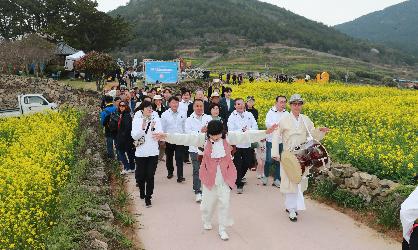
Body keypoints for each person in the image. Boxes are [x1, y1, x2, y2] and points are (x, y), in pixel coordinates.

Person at [154, 120, 278, 241]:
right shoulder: (202, 138)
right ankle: (207, 219)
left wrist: (266, 132)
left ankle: (222, 228)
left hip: (225, 177)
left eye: (217, 136)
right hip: (209, 177)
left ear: (222, 132)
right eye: (212, 136)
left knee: (225, 203)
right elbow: (184, 138)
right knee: (208, 204)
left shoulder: (229, 137)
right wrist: (166, 136)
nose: (214, 138)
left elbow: (247, 136)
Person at [271, 94, 329, 222]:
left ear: (301, 105)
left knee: (299, 181)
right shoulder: (284, 119)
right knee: (290, 181)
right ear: (290, 105)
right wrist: (275, 152)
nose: (297, 106)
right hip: (289, 156)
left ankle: (292, 206)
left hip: (303, 156)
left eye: (299, 104)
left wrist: (321, 130)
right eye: (294, 104)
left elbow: (313, 134)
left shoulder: (305, 119)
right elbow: (276, 135)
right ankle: (292, 209)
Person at [131, 101, 163, 208]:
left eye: (151, 108)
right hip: (140, 153)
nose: (150, 109)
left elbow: (160, 134)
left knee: (150, 175)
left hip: (153, 152)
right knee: (141, 176)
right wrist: (143, 128)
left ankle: (148, 197)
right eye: (147, 108)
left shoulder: (156, 120)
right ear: (142, 109)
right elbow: (134, 136)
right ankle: (141, 190)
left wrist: (155, 131)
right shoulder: (137, 120)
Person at [227, 98, 258, 194]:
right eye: (238, 104)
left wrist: (248, 130)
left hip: (247, 143)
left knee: (248, 162)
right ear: (235, 106)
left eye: (242, 104)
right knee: (238, 164)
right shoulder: (232, 116)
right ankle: (239, 183)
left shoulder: (249, 115)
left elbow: (255, 126)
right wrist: (241, 130)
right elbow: (231, 130)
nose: (240, 106)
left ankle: (236, 177)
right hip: (236, 144)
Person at [185, 99, 212, 202]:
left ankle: (204, 189)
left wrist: (208, 130)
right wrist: (200, 132)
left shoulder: (208, 117)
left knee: (207, 169)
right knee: (197, 169)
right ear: (193, 107)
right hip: (194, 148)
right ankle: (197, 191)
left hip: (207, 148)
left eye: (201, 106)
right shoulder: (189, 119)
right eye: (197, 106)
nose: (199, 108)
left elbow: (213, 130)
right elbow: (188, 133)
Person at [263, 95, 289, 187]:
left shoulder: (287, 113)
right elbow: (267, 123)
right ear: (276, 103)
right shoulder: (271, 112)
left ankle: (277, 179)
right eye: (281, 102)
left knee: (279, 160)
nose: (283, 104)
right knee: (269, 160)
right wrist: (274, 126)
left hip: (281, 141)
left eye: (284, 102)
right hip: (271, 140)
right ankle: (265, 175)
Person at [161, 96, 187, 182]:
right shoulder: (165, 114)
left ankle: (180, 176)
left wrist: (185, 137)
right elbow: (163, 128)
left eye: (176, 102)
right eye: (173, 103)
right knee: (169, 157)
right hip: (169, 139)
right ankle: (170, 172)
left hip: (179, 138)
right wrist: (163, 140)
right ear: (169, 104)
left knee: (179, 157)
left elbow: (184, 127)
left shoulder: (183, 113)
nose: (175, 104)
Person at [116, 101, 136, 174]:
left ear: (126, 107)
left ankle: (127, 167)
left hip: (125, 138)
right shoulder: (122, 114)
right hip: (126, 138)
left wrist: (122, 135)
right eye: (120, 106)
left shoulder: (126, 115)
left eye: (123, 106)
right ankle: (132, 167)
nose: (121, 107)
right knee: (129, 153)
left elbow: (128, 127)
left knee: (121, 152)